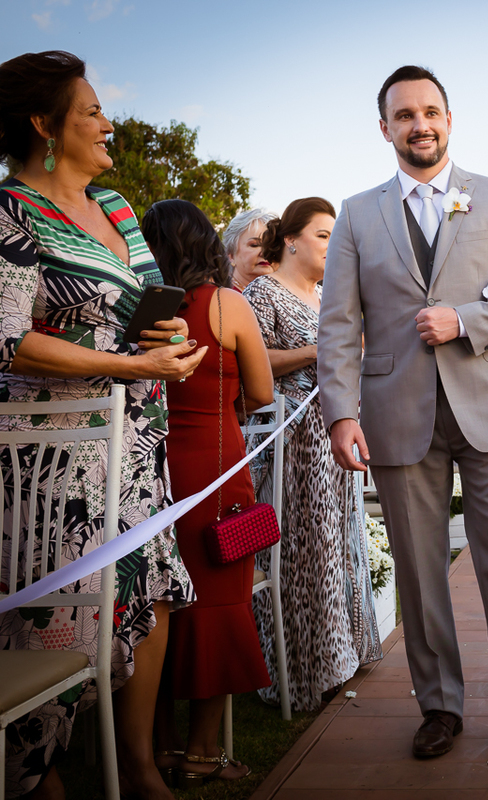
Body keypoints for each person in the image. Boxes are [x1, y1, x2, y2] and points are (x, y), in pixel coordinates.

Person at [317, 66, 488, 759]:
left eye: (430, 112)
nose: (419, 125)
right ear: (386, 128)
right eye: (404, 115)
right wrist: (341, 414)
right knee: (422, 570)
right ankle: (440, 707)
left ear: (449, 120)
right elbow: (338, 323)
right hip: (397, 414)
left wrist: (469, 318)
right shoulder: (358, 213)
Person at [0, 51, 203, 800]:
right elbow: (9, 336)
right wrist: (131, 368)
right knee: (60, 612)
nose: (107, 121)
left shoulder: (117, 208)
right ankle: (38, 774)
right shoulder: (10, 210)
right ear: (43, 125)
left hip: (139, 434)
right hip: (56, 451)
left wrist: (167, 347)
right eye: (90, 110)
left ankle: (140, 767)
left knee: (145, 595)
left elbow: (158, 304)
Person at [141, 199, 274, 787]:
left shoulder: (138, 312)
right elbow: (263, 391)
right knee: (218, 608)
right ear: (206, 246)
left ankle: (160, 747)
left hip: (151, 473)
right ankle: (203, 754)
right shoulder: (228, 305)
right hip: (217, 476)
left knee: (155, 608)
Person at [244, 197, 383, 713]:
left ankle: (345, 653)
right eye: (323, 235)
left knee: (340, 542)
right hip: (293, 444)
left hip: (336, 436)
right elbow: (255, 366)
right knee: (304, 552)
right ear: (291, 240)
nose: (331, 245)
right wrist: (325, 349)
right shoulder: (263, 293)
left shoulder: (328, 296)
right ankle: (303, 671)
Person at [222, 207, 276, 292]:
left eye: (271, 245)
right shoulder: (221, 297)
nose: (265, 252)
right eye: (255, 245)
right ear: (231, 255)